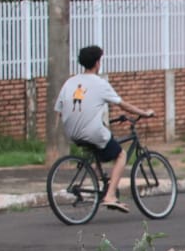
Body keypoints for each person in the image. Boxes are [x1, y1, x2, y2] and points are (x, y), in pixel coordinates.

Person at [54, 45, 153, 213]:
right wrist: (144, 113)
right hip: (91, 131)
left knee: (103, 146)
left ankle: (96, 174)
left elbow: (58, 111)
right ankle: (110, 195)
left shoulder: (69, 82)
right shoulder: (100, 83)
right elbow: (122, 104)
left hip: (72, 132)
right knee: (120, 154)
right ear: (97, 63)